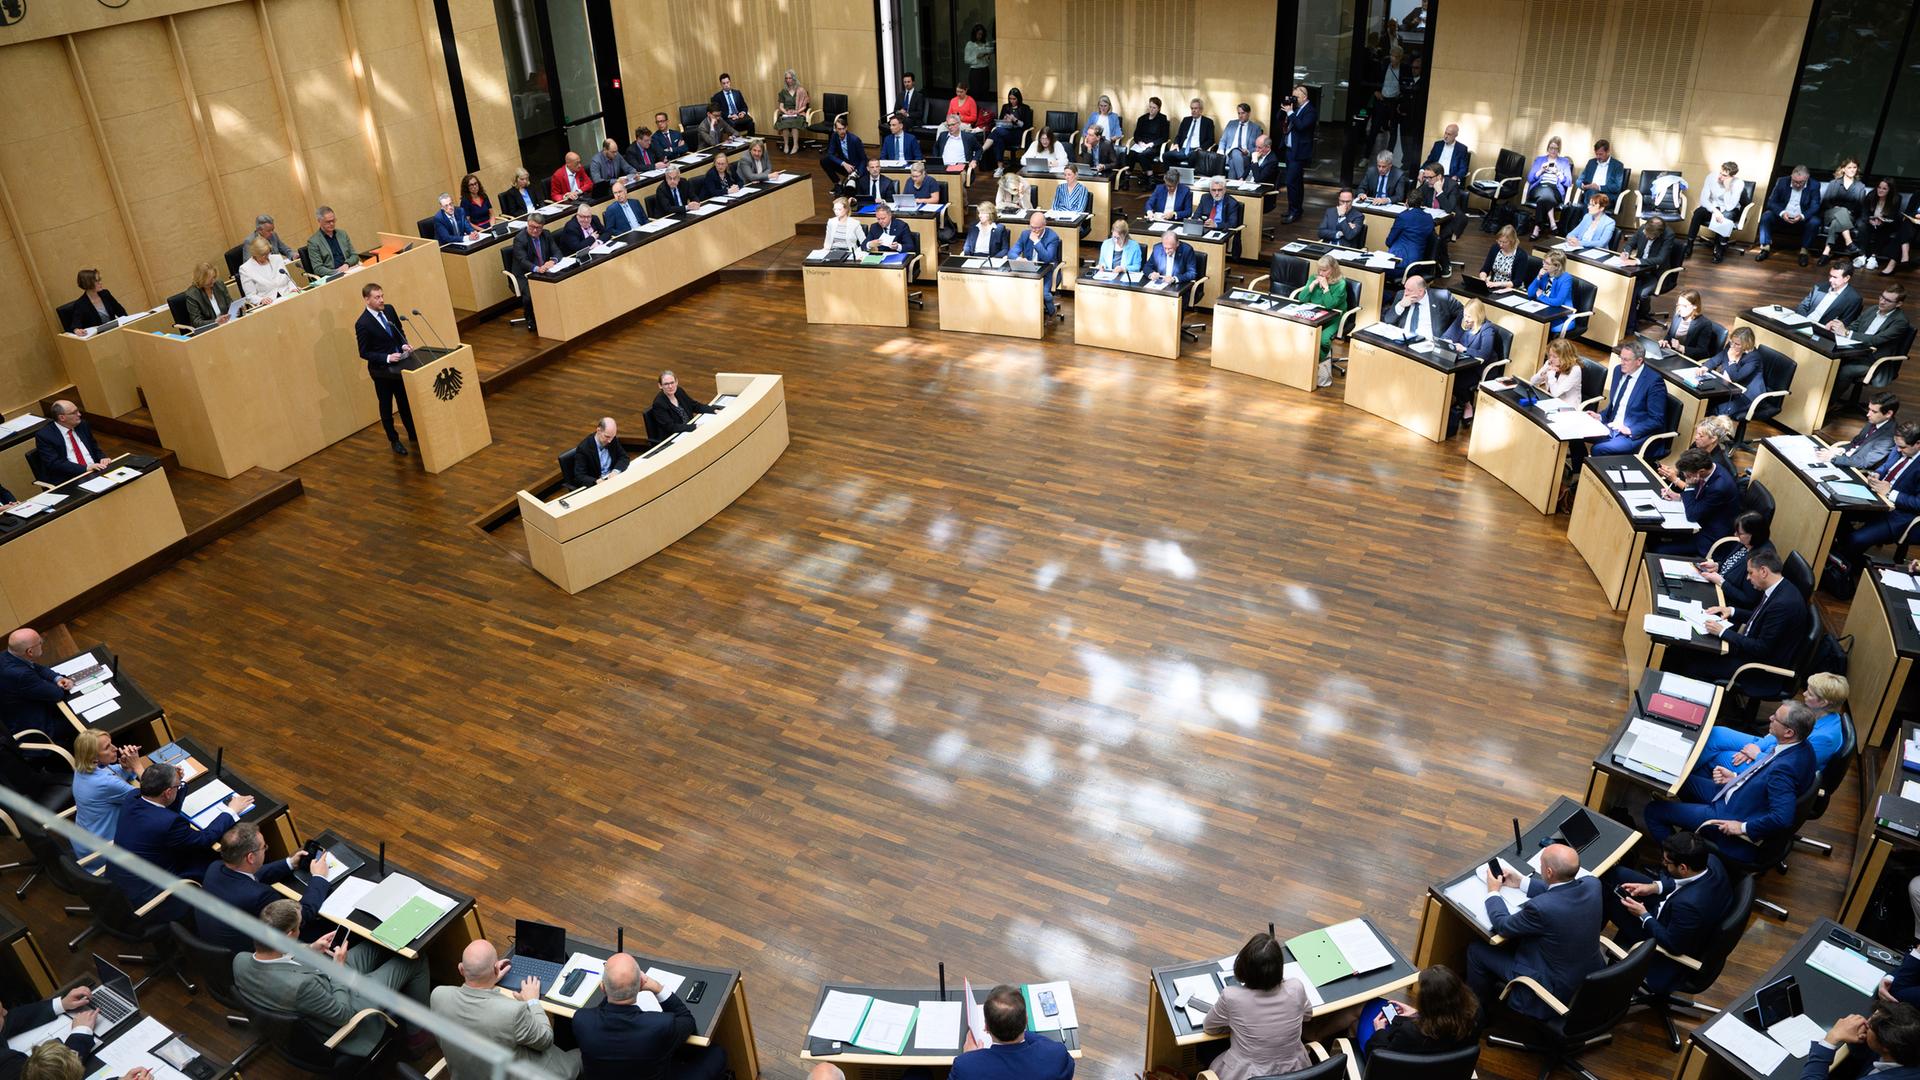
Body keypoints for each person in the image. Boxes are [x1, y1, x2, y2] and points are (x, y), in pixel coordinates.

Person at [232, 899, 431, 1059]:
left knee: (378, 944)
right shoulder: (302, 986)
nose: (301, 929)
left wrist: (310, 949)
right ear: (289, 934)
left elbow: (282, 960)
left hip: (320, 982)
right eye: (299, 926)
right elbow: (343, 1014)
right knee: (414, 960)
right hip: (348, 1007)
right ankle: (417, 1037)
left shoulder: (240, 960)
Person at [1645, 700, 1818, 850]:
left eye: (1776, 718)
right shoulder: (1802, 747)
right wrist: (1735, 777)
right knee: (1676, 777)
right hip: (1736, 792)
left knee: (1653, 811)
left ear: (1789, 732)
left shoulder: (1784, 769)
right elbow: (1765, 773)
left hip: (1729, 813)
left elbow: (1782, 818)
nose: (1770, 718)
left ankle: (1677, 858)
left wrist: (1743, 827)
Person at [1465, 843, 1602, 1022]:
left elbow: (1503, 925)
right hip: (1586, 976)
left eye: (1541, 863)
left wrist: (1493, 891)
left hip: (1552, 989)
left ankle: (1476, 1017)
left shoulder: (1541, 908)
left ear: (1550, 872)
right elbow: (1565, 892)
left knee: (1477, 950)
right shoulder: (1594, 885)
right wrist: (1522, 882)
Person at [109, 761, 252, 923]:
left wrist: (177, 783)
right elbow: (204, 839)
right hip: (148, 894)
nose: (180, 786)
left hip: (121, 880)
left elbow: (163, 812)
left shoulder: (132, 797)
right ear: (168, 792)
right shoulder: (169, 823)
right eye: (178, 786)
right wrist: (231, 811)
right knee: (214, 861)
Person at [1600, 832, 1733, 993]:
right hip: (1673, 911)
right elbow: (1684, 883)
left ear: (1683, 867)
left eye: (1667, 862)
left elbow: (1673, 945)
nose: (1663, 863)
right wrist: (1655, 887)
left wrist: (1643, 914)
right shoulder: (1711, 861)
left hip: (1660, 940)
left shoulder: (1688, 906)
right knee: (1616, 874)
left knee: (1605, 897)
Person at [432, 939, 582, 1080]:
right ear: (497, 968)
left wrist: (488, 979)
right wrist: (533, 1001)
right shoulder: (512, 1012)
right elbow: (546, 1040)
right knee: (582, 1054)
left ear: (461, 969)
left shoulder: (438, 995)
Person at [571, 952, 723, 1080]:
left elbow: (601, 1011)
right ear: (640, 984)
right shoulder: (660, 1025)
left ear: (603, 987)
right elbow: (687, 1020)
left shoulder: (582, 1020)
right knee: (716, 1053)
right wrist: (656, 987)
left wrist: (614, 989)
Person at [1694, 675, 1850, 795]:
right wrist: (1756, 746)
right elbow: (1779, 731)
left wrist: (1757, 755)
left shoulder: (1825, 738)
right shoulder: (1817, 712)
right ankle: (1690, 780)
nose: (1804, 693)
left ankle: (1694, 788)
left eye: (1810, 692)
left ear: (1823, 702)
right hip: (1772, 748)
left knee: (1721, 757)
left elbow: (1792, 768)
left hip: (1777, 769)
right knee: (1717, 733)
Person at [199, 821, 330, 952]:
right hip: (250, 952)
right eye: (264, 847)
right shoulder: (261, 895)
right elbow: (302, 915)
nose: (266, 849)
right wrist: (319, 877)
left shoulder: (215, 868)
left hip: (214, 944)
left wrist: (290, 863)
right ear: (250, 857)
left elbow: (250, 876)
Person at [1201, 933, 1309, 1080]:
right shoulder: (1296, 987)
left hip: (1246, 1074)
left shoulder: (1232, 996)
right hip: (1295, 1072)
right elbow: (1307, 1015)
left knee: (1203, 1047)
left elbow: (1210, 1027)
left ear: (1243, 967)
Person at [1832, 422, 1920, 582]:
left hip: (1898, 515)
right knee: (1836, 513)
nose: (1898, 450)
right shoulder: (1900, 446)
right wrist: (1876, 474)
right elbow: (1886, 466)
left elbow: (1918, 503)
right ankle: (1849, 559)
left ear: (1918, 444)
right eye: (1897, 446)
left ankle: (1844, 570)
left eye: (1903, 448)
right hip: (1876, 499)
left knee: (1856, 539)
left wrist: (1891, 493)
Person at [948, 985, 1073, 1080]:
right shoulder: (1056, 1055)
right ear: (1026, 1020)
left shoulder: (965, 1067)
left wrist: (970, 1057)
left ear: (986, 1027)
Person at [1356, 966, 1480, 1059]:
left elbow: (1379, 1057)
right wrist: (1418, 1014)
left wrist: (1379, 1030)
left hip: (1398, 1072)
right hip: (1447, 1070)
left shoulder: (1409, 1032)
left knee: (1357, 1013)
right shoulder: (1477, 1015)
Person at [354, 284, 419, 455]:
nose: (382, 300)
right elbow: (364, 352)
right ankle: (394, 440)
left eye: (382, 296)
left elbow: (398, 331)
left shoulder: (389, 310)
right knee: (386, 406)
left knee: (404, 401)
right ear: (367, 299)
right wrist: (387, 357)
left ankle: (413, 433)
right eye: (377, 297)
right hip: (381, 371)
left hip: (399, 366)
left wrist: (403, 343)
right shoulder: (363, 323)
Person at [1652, 448, 1738, 557]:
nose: (1686, 478)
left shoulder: (1719, 487)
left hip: (1708, 537)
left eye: (1687, 476)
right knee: (1654, 535)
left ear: (1701, 471)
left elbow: (1692, 515)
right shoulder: (1710, 468)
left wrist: (1689, 486)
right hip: (1701, 522)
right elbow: (1702, 500)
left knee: (1658, 548)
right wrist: (1679, 497)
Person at [0, 987, 101, 1080]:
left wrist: (61, 1004)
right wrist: (81, 1032)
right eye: (0, 1014)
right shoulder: (8, 1063)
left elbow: (9, 1020)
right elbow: (53, 1074)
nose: (5, 1012)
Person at [1588, 340, 1665, 455]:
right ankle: (1577, 467)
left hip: (1632, 435)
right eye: (1621, 358)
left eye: (1626, 360)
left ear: (1639, 361)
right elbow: (1616, 405)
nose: (1622, 362)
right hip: (1611, 426)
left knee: (1598, 449)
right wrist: (1600, 416)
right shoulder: (1618, 370)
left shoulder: (1654, 382)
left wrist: (1631, 430)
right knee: (1576, 432)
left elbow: (1657, 419)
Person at [1803, 1004, 1920, 1079]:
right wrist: (1858, 1039)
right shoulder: (1906, 1046)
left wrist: (1830, 1040)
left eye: (1868, 1027)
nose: (1865, 1023)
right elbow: (1870, 1056)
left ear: (1886, 1045)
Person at [70, 729, 137, 855]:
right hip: (105, 852)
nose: (115, 748)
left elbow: (107, 772)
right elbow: (150, 796)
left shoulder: (81, 768)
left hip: (84, 843)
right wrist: (137, 765)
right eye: (107, 748)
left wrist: (125, 768)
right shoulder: (106, 783)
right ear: (94, 757)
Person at [1, 628, 72, 741]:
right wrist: (62, 684)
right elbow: (57, 694)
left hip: (16, 711)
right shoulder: (22, 675)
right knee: (82, 721)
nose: (42, 643)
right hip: (37, 728)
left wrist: (57, 678)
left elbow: (36, 667)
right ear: (30, 652)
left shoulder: (6, 655)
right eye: (40, 642)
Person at [1837, 286, 1912, 391]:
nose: (1882, 302)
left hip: (1873, 359)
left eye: (1888, 300)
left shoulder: (1900, 322)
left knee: (1846, 370)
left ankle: (1830, 403)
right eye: (1882, 297)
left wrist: (1846, 333)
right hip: (1854, 351)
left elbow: (1875, 340)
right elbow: (1854, 326)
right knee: (1829, 360)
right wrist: (1838, 328)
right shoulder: (1873, 309)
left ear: (1898, 304)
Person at [1699, 510, 1774, 608]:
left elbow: (1748, 600)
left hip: (1727, 603)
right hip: (1717, 586)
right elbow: (1733, 564)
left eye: (1739, 533)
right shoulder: (1747, 542)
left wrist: (1721, 582)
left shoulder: (1761, 560)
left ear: (1753, 534)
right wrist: (1717, 566)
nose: (1735, 535)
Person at [1296, 255, 1352, 387]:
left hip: (1334, 316)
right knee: (1301, 331)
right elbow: (1301, 299)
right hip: (1315, 314)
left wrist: (1326, 288)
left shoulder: (1340, 284)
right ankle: (1306, 360)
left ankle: (1313, 361)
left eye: (1324, 270)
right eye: (1320, 270)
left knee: (1323, 339)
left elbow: (1330, 305)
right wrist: (1311, 287)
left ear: (1333, 269)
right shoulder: (1313, 278)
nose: (1321, 273)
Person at [1755, 164, 1822, 264]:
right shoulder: (1782, 182)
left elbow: (1815, 206)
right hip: (1782, 216)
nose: (1797, 185)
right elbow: (1771, 202)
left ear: (1807, 178)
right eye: (1795, 181)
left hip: (1801, 217)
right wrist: (1782, 213)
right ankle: (1765, 248)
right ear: (1791, 176)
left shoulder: (1814, 185)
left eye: (1801, 182)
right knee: (1766, 216)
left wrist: (1802, 216)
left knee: (1815, 221)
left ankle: (1804, 252)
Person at [1440, 298, 1497, 416]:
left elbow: (1484, 353)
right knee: (1445, 375)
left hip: (1479, 368)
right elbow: (1446, 335)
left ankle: (1467, 405)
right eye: (1465, 315)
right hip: (1462, 364)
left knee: (1456, 381)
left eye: (1469, 317)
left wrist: (1464, 349)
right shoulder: (1463, 321)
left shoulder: (1487, 328)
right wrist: (1448, 341)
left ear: (1478, 316)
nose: (1466, 319)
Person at [1618, 215, 1676, 329]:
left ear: (1657, 235)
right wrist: (1626, 252)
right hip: (1639, 270)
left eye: (1648, 235)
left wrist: (1637, 261)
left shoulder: (1668, 235)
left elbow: (1660, 259)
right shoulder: (1644, 228)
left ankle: (1641, 314)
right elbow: (1630, 243)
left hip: (1656, 273)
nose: (1644, 234)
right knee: (1624, 285)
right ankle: (1627, 316)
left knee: (1642, 294)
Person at [1409, 163, 1464, 272]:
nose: (1427, 180)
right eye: (1426, 177)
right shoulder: (1426, 184)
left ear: (1439, 177)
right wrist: (1411, 200)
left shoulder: (1452, 186)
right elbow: (1415, 196)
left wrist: (1439, 191)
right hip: (1433, 219)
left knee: (1439, 237)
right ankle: (1423, 262)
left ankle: (1445, 264)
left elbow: (1449, 208)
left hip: (1450, 220)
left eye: (1430, 177)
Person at [34, 401, 107, 482]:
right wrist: (85, 468)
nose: (79, 414)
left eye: (78, 411)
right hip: (71, 477)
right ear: (62, 418)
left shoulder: (82, 425)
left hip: (95, 469)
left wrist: (102, 457)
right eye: (74, 413)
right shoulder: (45, 435)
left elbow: (94, 446)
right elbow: (54, 463)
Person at [1704, 326, 1766, 420]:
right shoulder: (1731, 347)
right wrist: (1705, 367)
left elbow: (1736, 377)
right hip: (1730, 390)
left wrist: (1732, 360)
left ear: (1747, 344)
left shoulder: (1754, 358)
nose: (1732, 346)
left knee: (1717, 411)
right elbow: (1718, 358)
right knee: (1705, 402)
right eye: (1732, 342)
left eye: (1737, 344)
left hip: (1747, 396)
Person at [1823, 392, 1899, 469]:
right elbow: (1856, 442)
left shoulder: (1890, 438)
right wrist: (1842, 449)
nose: (1868, 414)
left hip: (1852, 467)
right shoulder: (1874, 420)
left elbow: (1864, 462)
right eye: (1869, 409)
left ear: (1888, 414)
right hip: (1844, 457)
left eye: (1874, 412)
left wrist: (1834, 458)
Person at [1687, 161, 1744, 263]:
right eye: (1720, 173)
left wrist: (1727, 188)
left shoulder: (1738, 183)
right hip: (1713, 207)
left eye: (1724, 175)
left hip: (1729, 209)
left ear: (1732, 176)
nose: (1720, 176)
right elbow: (1704, 200)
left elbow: (1730, 206)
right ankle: (1689, 244)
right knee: (1698, 213)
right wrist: (1715, 211)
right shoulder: (1711, 177)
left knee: (1727, 216)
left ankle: (1719, 249)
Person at [1012, 212, 1064, 321]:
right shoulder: (1025, 234)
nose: (1034, 231)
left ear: (1044, 225)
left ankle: (1052, 311)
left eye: (1037, 228)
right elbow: (1012, 252)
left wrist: (1036, 241)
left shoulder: (1052, 237)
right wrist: (1019, 258)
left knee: (1043, 293)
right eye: (1032, 227)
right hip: (1030, 270)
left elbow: (1047, 258)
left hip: (1048, 271)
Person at [508, 217, 558, 333]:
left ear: (542, 227)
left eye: (538, 228)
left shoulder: (546, 234)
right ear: (527, 224)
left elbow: (557, 252)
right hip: (524, 273)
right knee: (530, 295)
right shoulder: (520, 239)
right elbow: (522, 261)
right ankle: (530, 319)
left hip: (543, 270)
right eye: (532, 227)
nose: (535, 231)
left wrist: (553, 261)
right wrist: (537, 268)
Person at [1818, 157, 1869, 265]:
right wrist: (1836, 209)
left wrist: (1845, 211)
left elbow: (1860, 206)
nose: (1852, 170)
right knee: (1841, 211)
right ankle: (1849, 242)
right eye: (1849, 167)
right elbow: (1826, 202)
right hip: (1830, 213)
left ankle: (1826, 253)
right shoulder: (1834, 183)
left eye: (1854, 167)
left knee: (1837, 221)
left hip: (1849, 216)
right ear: (1843, 169)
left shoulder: (1860, 186)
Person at [644, 371, 719, 442]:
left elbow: (694, 406)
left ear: (676, 382)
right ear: (660, 386)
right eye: (666, 384)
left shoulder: (679, 391)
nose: (670, 386)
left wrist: (713, 410)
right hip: (676, 436)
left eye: (672, 383)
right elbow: (671, 427)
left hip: (688, 430)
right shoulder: (659, 404)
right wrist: (694, 427)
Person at [1524, 136, 1575, 238]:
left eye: (1556, 148)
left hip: (1555, 190)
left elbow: (1568, 182)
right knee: (1546, 193)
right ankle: (1552, 223)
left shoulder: (1564, 162)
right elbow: (1530, 178)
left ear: (1559, 150)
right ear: (1548, 148)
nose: (1553, 150)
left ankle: (1537, 228)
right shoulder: (1539, 160)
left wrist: (1558, 173)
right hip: (1539, 187)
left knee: (1544, 198)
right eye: (1551, 148)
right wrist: (1541, 170)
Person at [1386, 274, 1459, 342]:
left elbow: (1463, 314)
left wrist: (1449, 336)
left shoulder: (1442, 297)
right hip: (1404, 341)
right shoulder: (1401, 295)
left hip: (1428, 343)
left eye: (1409, 290)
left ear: (1421, 291)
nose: (1405, 293)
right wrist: (1401, 305)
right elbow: (1388, 320)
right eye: (1405, 289)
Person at [1279, 85, 1315, 220]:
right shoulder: (1295, 108)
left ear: (1305, 97)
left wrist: (1290, 113)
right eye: (1293, 96)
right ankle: (1295, 209)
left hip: (1299, 152)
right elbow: (1278, 118)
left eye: (1297, 97)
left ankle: (1294, 211)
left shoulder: (1310, 111)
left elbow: (1301, 126)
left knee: (1290, 182)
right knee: (1297, 182)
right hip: (1289, 150)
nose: (1295, 99)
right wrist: (1285, 108)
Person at [1860, 179, 1909, 273]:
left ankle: (1874, 256)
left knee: (1883, 229)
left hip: (1887, 222)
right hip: (1871, 220)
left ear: (1889, 190)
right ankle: (1863, 255)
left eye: (1884, 189)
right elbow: (1864, 212)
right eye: (1879, 187)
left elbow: (1893, 216)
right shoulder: (1871, 195)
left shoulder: (1896, 198)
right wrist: (1869, 220)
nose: (1880, 190)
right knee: (1863, 226)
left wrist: (1882, 221)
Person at [980, 89, 1032, 174]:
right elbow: (1000, 122)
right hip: (1005, 131)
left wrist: (1015, 120)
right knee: (998, 138)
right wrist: (1004, 120)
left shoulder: (1025, 108)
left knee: (997, 132)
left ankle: (981, 150)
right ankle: (1000, 167)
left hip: (1018, 135)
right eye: (1010, 99)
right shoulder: (1006, 107)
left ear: (1018, 98)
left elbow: (1026, 125)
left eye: (1014, 99)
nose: (1012, 101)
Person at [1797, 262, 1864, 326]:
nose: (1830, 280)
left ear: (1846, 278)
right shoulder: (1819, 287)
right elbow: (1802, 306)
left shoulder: (1854, 299)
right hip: (1804, 321)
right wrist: (1804, 320)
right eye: (1830, 276)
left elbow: (1846, 322)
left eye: (1835, 277)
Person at [568, 418, 628, 489]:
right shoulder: (584, 449)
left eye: (612, 437)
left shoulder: (611, 439)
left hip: (612, 479)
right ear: (598, 430)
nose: (609, 441)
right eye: (607, 437)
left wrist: (615, 471)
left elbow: (624, 457)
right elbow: (579, 476)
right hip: (597, 485)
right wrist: (596, 481)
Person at [1526, 250, 1576, 333]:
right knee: (1531, 322)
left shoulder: (1566, 279)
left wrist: (1541, 296)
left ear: (1557, 266)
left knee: (1541, 327)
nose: (1543, 265)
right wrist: (1538, 277)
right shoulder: (1545, 274)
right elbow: (1530, 293)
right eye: (1544, 261)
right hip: (1545, 311)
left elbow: (1558, 302)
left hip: (1561, 317)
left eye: (1547, 263)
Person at [1659, 290, 1716, 360]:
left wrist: (1680, 348)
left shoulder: (1705, 324)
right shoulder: (1677, 315)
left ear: (1695, 306)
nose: (1680, 309)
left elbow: (1702, 352)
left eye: (1684, 306)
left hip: (1687, 359)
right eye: (1679, 305)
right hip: (1673, 354)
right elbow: (1669, 335)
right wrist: (1665, 341)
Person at [64, 269, 126, 333]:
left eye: (100, 280)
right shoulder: (80, 304)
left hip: (116, 330)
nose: (100, 283)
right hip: (99, 336)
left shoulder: (105, 294)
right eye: (97, 281)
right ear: (88, 283)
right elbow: (75, 325)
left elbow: (121, 312)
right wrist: (77, 330)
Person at [236, 235, 295, 302]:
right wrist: (261, 300)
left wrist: (293, 288)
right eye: (262, 255)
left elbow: (289, 280)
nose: (266, 256)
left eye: (267, 253)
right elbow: (250, 296)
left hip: (288, 296)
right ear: (254, 254)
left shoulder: (277, 258)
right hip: (269, 303)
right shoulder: (245, 269)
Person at [1124, 97, 1170, 183]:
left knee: (1142, 155)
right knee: (1131, 154)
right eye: (1150, 107)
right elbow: (1136, 134)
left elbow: (1164, 137)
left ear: (1159, 108)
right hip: (1141, 144)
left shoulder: (1162, 119)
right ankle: (1127, 178)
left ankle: (1150, 178)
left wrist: (1152, 144)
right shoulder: (1142, 119)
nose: (1151, 110)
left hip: (1154, 146)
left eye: (1154, 108)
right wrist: (1140, 142)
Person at [1164, 98, 1214, 173]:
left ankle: (1187, 179)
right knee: (1166, 155)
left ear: (1201, 110)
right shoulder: (1186, 120)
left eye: (1195, 108)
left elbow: (1211, 139)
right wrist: (1176, 143)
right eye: (1192, 108)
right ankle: (1172, 178)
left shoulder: (1207, 122)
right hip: (1183, 149)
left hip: (1196, 150)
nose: (1193, 110)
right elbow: (1179, 135)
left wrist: (1201, 148)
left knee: (1193, 156)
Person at [1146, 228, 1197, 301]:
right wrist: (1151, 274)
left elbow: (1192, 273)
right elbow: (1147, 266)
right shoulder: (1157, 248)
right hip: (1160, 285)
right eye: (1165, 248)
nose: (1166, 251)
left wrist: (1174, 279)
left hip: (1179, 287)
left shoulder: (1187, 250)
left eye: (1170, 249)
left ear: (1177, 244)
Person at [1529, 338, 1583, 405]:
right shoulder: (1550, 363)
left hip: (1567, 408)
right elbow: (1532, 381)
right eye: (1550, 355)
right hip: (1550, 402)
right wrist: (1544, 372)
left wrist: (1551, 374)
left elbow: (1555, 393)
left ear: (1565, 357)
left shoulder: (1575, 370)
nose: (1551, 359)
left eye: (1555, 356)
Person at [181, 262, 234, 329]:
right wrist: (215, 321)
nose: (213, 281)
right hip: (210, 330)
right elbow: (196, 322)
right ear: (200, 278)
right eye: (210, 279)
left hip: (227, 325)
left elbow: (230, 304)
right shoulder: (192, 294)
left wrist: (236, 310)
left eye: (214, 277)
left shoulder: (219, 284)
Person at [1477, 225, 1531, 290]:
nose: (1501, 245)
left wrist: (1497, 284)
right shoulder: (1495, 248)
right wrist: (1483, 278)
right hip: (1493, 285)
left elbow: (1517, 282)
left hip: (1511, 288)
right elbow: (1485, 269)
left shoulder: (1521, 255)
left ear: (1512, 241)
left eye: (1505, 242)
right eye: (1499, 241)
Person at [1577, 139, 1627, 208]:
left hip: (1606, 196)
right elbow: (1579, 180)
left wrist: (1599, 187)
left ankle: (1588, 217)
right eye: (1596, 154)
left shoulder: (1617, 165)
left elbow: (1617, 187)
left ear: (1608, 151)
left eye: (1600, 154)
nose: (1598, 157)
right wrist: (1583, 186)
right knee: (1592, 193)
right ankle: (1590, 216)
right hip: (1590, 193)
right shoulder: (1591, 163)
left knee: (1593, 197)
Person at [1383, 202, 1433, 271]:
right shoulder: (1429, 217)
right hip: (1417, 263)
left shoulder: (1403, 216)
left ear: (1406, 203)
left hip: (1401, 264)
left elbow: (1389, 242)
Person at [1216, 102, 1260, 175]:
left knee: (1233, 162)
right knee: (1235, 151)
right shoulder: (1231, 124)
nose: (1240, 116)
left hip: (1244, 156)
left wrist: (1248, 151)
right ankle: (1242, 178)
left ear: (1249, 113)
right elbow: (1223, 140)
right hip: (1228, 154)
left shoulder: (1255, 128)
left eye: (1243, 113)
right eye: (1239, 113)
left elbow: (1257, 147)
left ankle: (1235, 182)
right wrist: (1220, 151)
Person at [822, 116, 866, 187]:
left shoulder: (855, 140)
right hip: (845, 165)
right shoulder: (834, 136)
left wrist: (858, 173)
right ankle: (838, 184)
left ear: (846, 128)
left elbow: (863, 159)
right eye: (839, 129)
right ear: (836, 129)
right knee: (824, 161)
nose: (842, 131)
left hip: (855, 168)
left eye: (843, 128)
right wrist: (843, 163)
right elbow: (830, 154)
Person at [774, 70, 810, 154]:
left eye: (790, 78)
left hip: (798, 113)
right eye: (786, 78)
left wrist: (796, 111)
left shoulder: (801, 90)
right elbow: (781, 106)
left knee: (794, 124)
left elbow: (804, 106)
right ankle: (786, 144)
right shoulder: (783, 92)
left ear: (794, 79)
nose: (788, 80)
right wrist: (786, 112)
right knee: (785, 124)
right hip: (786, 113)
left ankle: (795, 145)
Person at [1051, 165, 1091, 237]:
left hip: (1075, 221)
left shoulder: (1082, 189)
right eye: (1065, 175)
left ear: (1076, 175)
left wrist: (1063, 210)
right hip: (1060, 218)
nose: (1066, 177)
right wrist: (1062, 214)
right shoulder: (1060, 187)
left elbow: (1080, 209)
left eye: (1069, 175)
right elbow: (1054, 206)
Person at [962, 25, 994, 102]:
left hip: (985, 69)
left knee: (985, 90)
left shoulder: (985, 43)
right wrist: (976, 57)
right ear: (974, 34)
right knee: (975, 92)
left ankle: (984, 111)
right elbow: (966, 60)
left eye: (981, 34)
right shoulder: (970, 44)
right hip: (975, 71)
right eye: (978, 34)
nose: (980, 36)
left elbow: (987, 60)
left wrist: (987, 56)